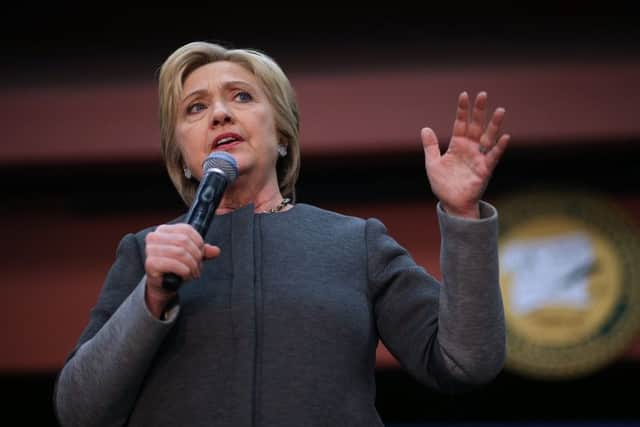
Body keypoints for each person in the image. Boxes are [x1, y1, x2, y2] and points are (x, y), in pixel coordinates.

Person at [53, 40, 510, 427]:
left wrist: (462, 214)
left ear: (284, 136)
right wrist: (151, 298)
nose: (218, 114)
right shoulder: (145, 254)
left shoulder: (355, 243)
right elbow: (79, 410)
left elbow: (465, 362)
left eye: (242, 98)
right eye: (195, 108)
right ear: (183, 159)